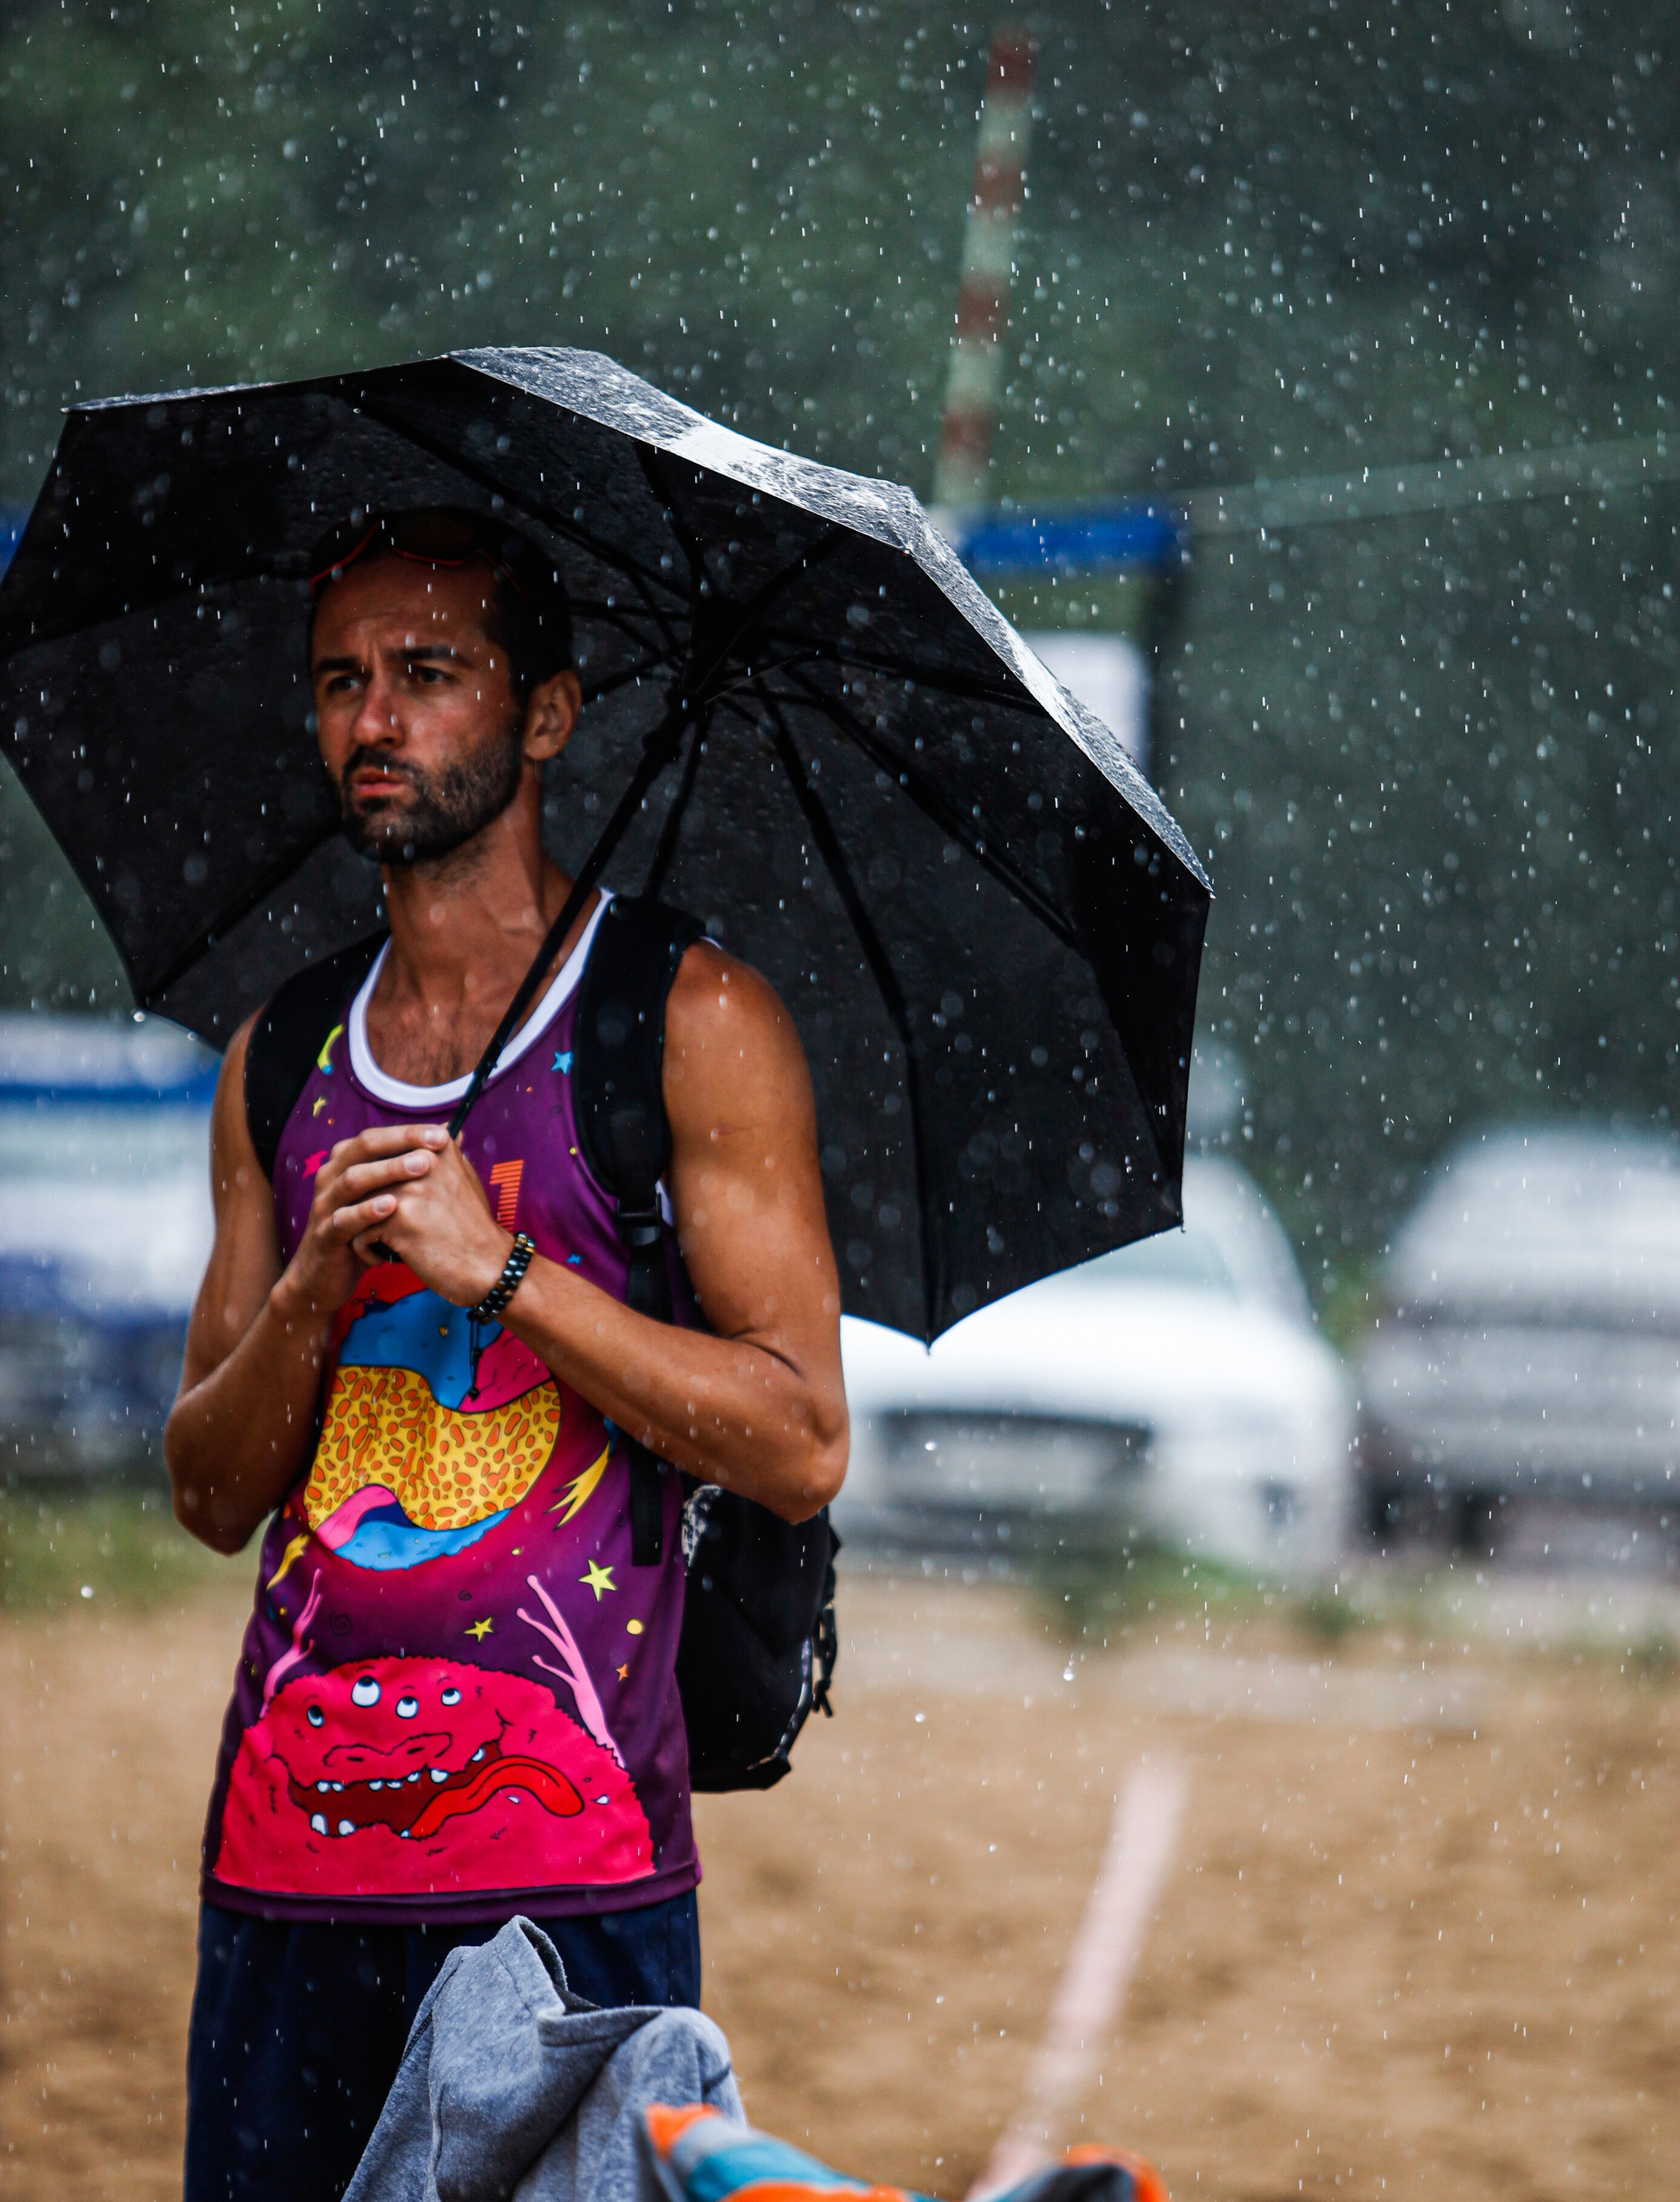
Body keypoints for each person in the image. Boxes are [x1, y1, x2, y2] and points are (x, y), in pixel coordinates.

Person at [163, 507, 849, 2202]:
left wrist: (508, 1270)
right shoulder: (287, 1049)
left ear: (546, 713)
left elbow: (796, 1437)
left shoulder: (685, 1019)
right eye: (341, 681)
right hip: (287, 1855)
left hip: (573, 1863)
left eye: (429, 674)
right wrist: (319, 1286)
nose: (374, 721)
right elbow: (205, 1487)